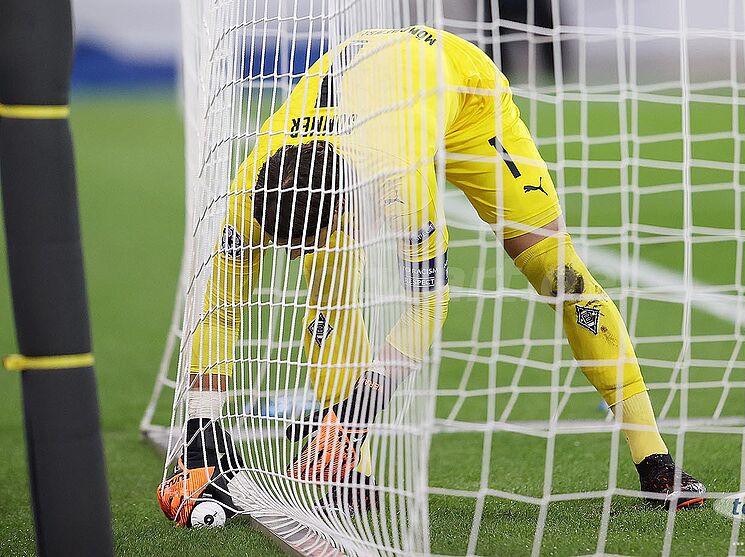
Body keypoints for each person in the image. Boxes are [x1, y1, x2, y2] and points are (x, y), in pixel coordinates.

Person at [157, 25, 705, 525]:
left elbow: (430, 302)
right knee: (330, 282)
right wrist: (200, 430)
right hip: (373, 101)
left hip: (465, 94)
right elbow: (218, 311)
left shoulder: (399, 181)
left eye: (312, 239)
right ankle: (349, 473)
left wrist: (355, 413)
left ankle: (653, 458)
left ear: (350, 203)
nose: (298, 254)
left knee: (558, 273)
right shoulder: (250, 194)